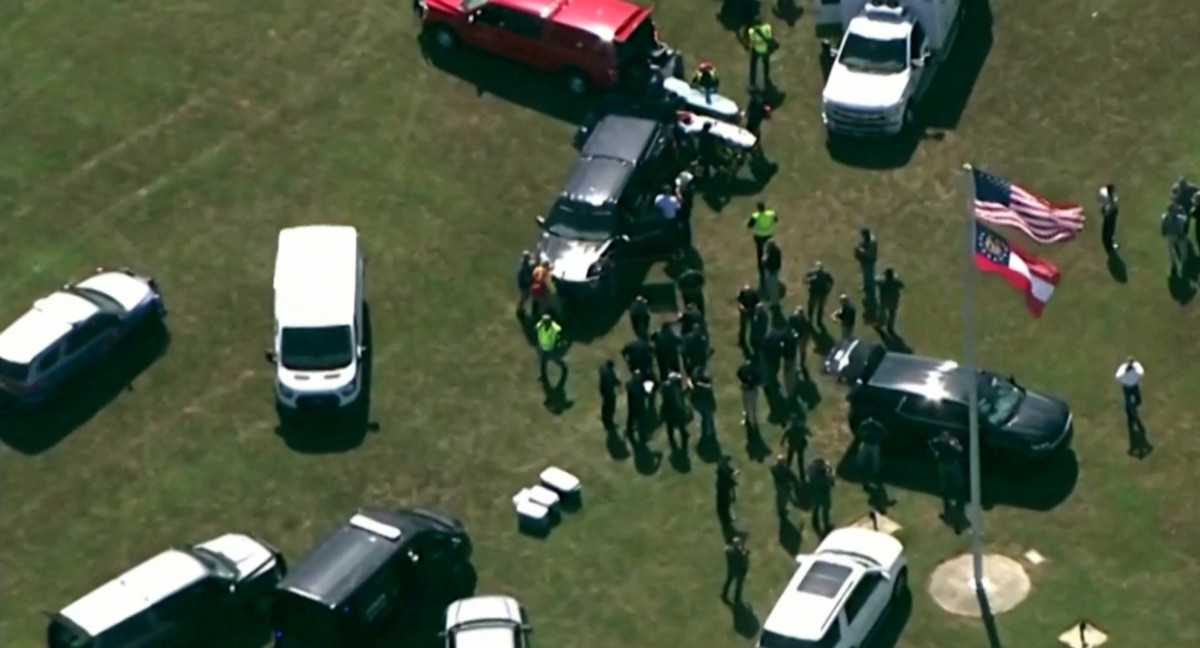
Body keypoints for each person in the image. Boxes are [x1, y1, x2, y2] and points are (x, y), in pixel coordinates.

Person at [1114, 357, 1149, 455]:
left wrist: (1135, 373)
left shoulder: (1136, 367)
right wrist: (1125, 373)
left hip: (1134, 386)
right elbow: (1117, 376)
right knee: (1129, 402)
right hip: (1127, 387)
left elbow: (1141, 373)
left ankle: (1132, 408)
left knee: (1138, 400)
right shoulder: (1123, 369)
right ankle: (1130, 409)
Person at [930, 431, 965, 520]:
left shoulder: (953, 441)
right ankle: (946, 500)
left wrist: (954, 445)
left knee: (958, 482)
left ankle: (959, 501)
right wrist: (936, 452)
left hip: (952, 463)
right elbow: (931, 442)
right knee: (944, 482)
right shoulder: (938, 441)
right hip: (943, 464)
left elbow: (960, 449)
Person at [744, 16, 777, 91]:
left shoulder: (752, 31)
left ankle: (752, 82)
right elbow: (770, 36)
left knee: (753, 66)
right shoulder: (767, 27)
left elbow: (751, 41)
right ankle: (766, 78)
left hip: (757, 50)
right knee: (766, 64)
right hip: (765, 49)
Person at [661, 372, 691, 452]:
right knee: (679, 422)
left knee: (670, 425)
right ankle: (683, 435)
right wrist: (688, 389)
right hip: (674, 410)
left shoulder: (665, 386)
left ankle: (672, 438)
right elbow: (679, 397)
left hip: (667, 409)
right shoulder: (674, 389)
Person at [747, 201, 778, 274]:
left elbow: (749, 225)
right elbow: (776, 220)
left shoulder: (755, 216)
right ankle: (770, 263)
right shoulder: (771, 214)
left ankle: (761, 267)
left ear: (758, 208)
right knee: (769, 249)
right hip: (768, 234)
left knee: (760, 252)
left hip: (759, 236)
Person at [855, 228, 878, 320]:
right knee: (865, 274)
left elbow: (869, 254)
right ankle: (866, 286)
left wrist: (861, 251)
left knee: (869, 275)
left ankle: (870, 290)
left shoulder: (872, 242)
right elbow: (861, 245)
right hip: (865, 261)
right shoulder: (866, 239)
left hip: (869, 260)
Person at [535, 313, 565, 383]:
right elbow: (537, 327)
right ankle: (543, 376)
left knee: (555, 359)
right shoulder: (542, 324)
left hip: (551, 348)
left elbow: (559, 331)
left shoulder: (553, 326)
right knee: (543, 362)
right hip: (543, 346)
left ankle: (563, 365)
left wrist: (558, 339)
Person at [1161, 204, 1189, 278]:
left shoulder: (1165, 217)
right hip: (1174, 236)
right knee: (1171, 251)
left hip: (1177, 236)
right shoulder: (1180, 218)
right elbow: (1163, 226)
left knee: (1181, 251)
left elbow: (1163, 226)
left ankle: (1183, 264)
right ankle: (1175, 265)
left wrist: (1163, 232)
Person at [808, 457, 834, 536]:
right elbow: (831, 483)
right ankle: (826, 526)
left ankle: (814, 521)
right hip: (824, 494)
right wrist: (830, 470)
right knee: (825, 511)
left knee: (816, 508)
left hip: (815, 493)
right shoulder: (825, 476)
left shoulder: (811, 472)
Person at [856, 418, 886, 486]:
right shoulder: (864, 424)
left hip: (874, 444)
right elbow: (859, 431)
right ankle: (859, 467)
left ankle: (875, 472)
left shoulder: (878, 426)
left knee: (876, 459)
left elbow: (884, 432)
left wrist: (880, 438)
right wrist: (862, 435)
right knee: (861, 455)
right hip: (866, 443)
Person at [690, 369, 718, 442]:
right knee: (707, 419)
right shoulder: (705, 388)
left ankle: (708, 433)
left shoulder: (696, 387)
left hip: (701, 404)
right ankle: (708, 434)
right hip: (704, 404)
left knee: (706, 419)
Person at [721, 534, 750, 604]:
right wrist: (745, 553)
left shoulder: (729, 551)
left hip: (731, 569)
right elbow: (743, 559)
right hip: (738, 571)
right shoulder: (739, 554)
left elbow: (727, 549)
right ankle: (737, 598)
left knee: (728, 582)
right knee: (738, 585)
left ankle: (724, 594)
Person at [875, 268, 905, 334]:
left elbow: (875, 281)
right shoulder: (896, 282)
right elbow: (902, 285)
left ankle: (879, 325)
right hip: (894, 301)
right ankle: (890, 327)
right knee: (892, 315)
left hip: (884, 301)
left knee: (882, 314)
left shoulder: (882, 282)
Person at [781, 414, 808, 483]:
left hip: (793, 446)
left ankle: (786, 472)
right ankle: (802, 477)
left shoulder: (790, 430)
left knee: (790, 460)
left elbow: (784, 436)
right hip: (799, 447)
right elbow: (809, 433)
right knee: (800, 462)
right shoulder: (801, 429)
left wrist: (782, 442)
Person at [737, 359, 762, 430]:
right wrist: (743, 383)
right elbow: (739, 374)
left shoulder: (755, 370)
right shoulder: (744, 368)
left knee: (753, 407)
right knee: (746, 406)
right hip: (746, 390)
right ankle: (747, 420)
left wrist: (750, 384)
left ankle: (755, 423)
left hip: (753, 391)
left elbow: (759, 380)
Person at [625, 371, 649, 445]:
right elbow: (644, 394)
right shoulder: (638, 386)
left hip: (632, 405)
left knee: (631, 418)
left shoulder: (631, 385)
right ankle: (642, 437)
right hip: (638, 406)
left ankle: (629, 430)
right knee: (641, 422)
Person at [716, 456, 740, 531]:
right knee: (728, 506)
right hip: (726, 494)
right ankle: (731, 519)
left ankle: (732, 518)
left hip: (727, 492)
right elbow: (729, 480)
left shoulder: (724, 472)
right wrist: (735, 475)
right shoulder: (723, 475)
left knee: (730, 504)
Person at [735, 285, 761, 351]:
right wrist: (742, 308)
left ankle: (753, 340)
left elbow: (758, 303)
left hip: (751, 311)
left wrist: (756, 309)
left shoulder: (754, 293)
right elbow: (739, 302)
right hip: (745, 311)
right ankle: (742, 340)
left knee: (753, 327)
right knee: (743, 327)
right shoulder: (743, 293)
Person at [598, 359, 621, 432]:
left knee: (605, 404)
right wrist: (618, 382)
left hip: (603, 389)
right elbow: (613, 381)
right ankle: (609, 422)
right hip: (608, 391)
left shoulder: (603, 368)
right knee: (611, 406)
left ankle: (604, 417)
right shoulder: (609, 373)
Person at [780, 325, 800, 402]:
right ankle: (791, 391)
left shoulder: (785, 341)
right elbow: (796, 335)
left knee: (787, 376)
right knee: (791, 375)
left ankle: (789, 392)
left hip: (787, 359)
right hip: (792, 358)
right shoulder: (794, 339)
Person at [1098, 184, 1119, 255]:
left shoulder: (1111, 196)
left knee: (1109, 227)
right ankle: (1110, 242)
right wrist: (1104, 210)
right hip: (1109, 214)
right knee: (1109, 228)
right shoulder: (1105, 196)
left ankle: (1108, 238)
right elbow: (1104, 205)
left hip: (1111, 213)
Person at [761, 240, 783, 304]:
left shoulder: (771, 253)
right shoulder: (777, 251)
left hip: (771, 271)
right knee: (775, 285)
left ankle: (774, 301)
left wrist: (764, 260)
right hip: (775, 270)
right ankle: (775, 299)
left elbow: (767, 262)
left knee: (772, 286)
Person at [515, 250, 536, 317]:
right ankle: (519, 310)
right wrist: (532, 278)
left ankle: (521, 308)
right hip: (524, 286)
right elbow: (526, 279)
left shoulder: (524, 264)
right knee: (524, 298)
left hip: (525, 284)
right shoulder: (523, 269)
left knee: (526, 297)